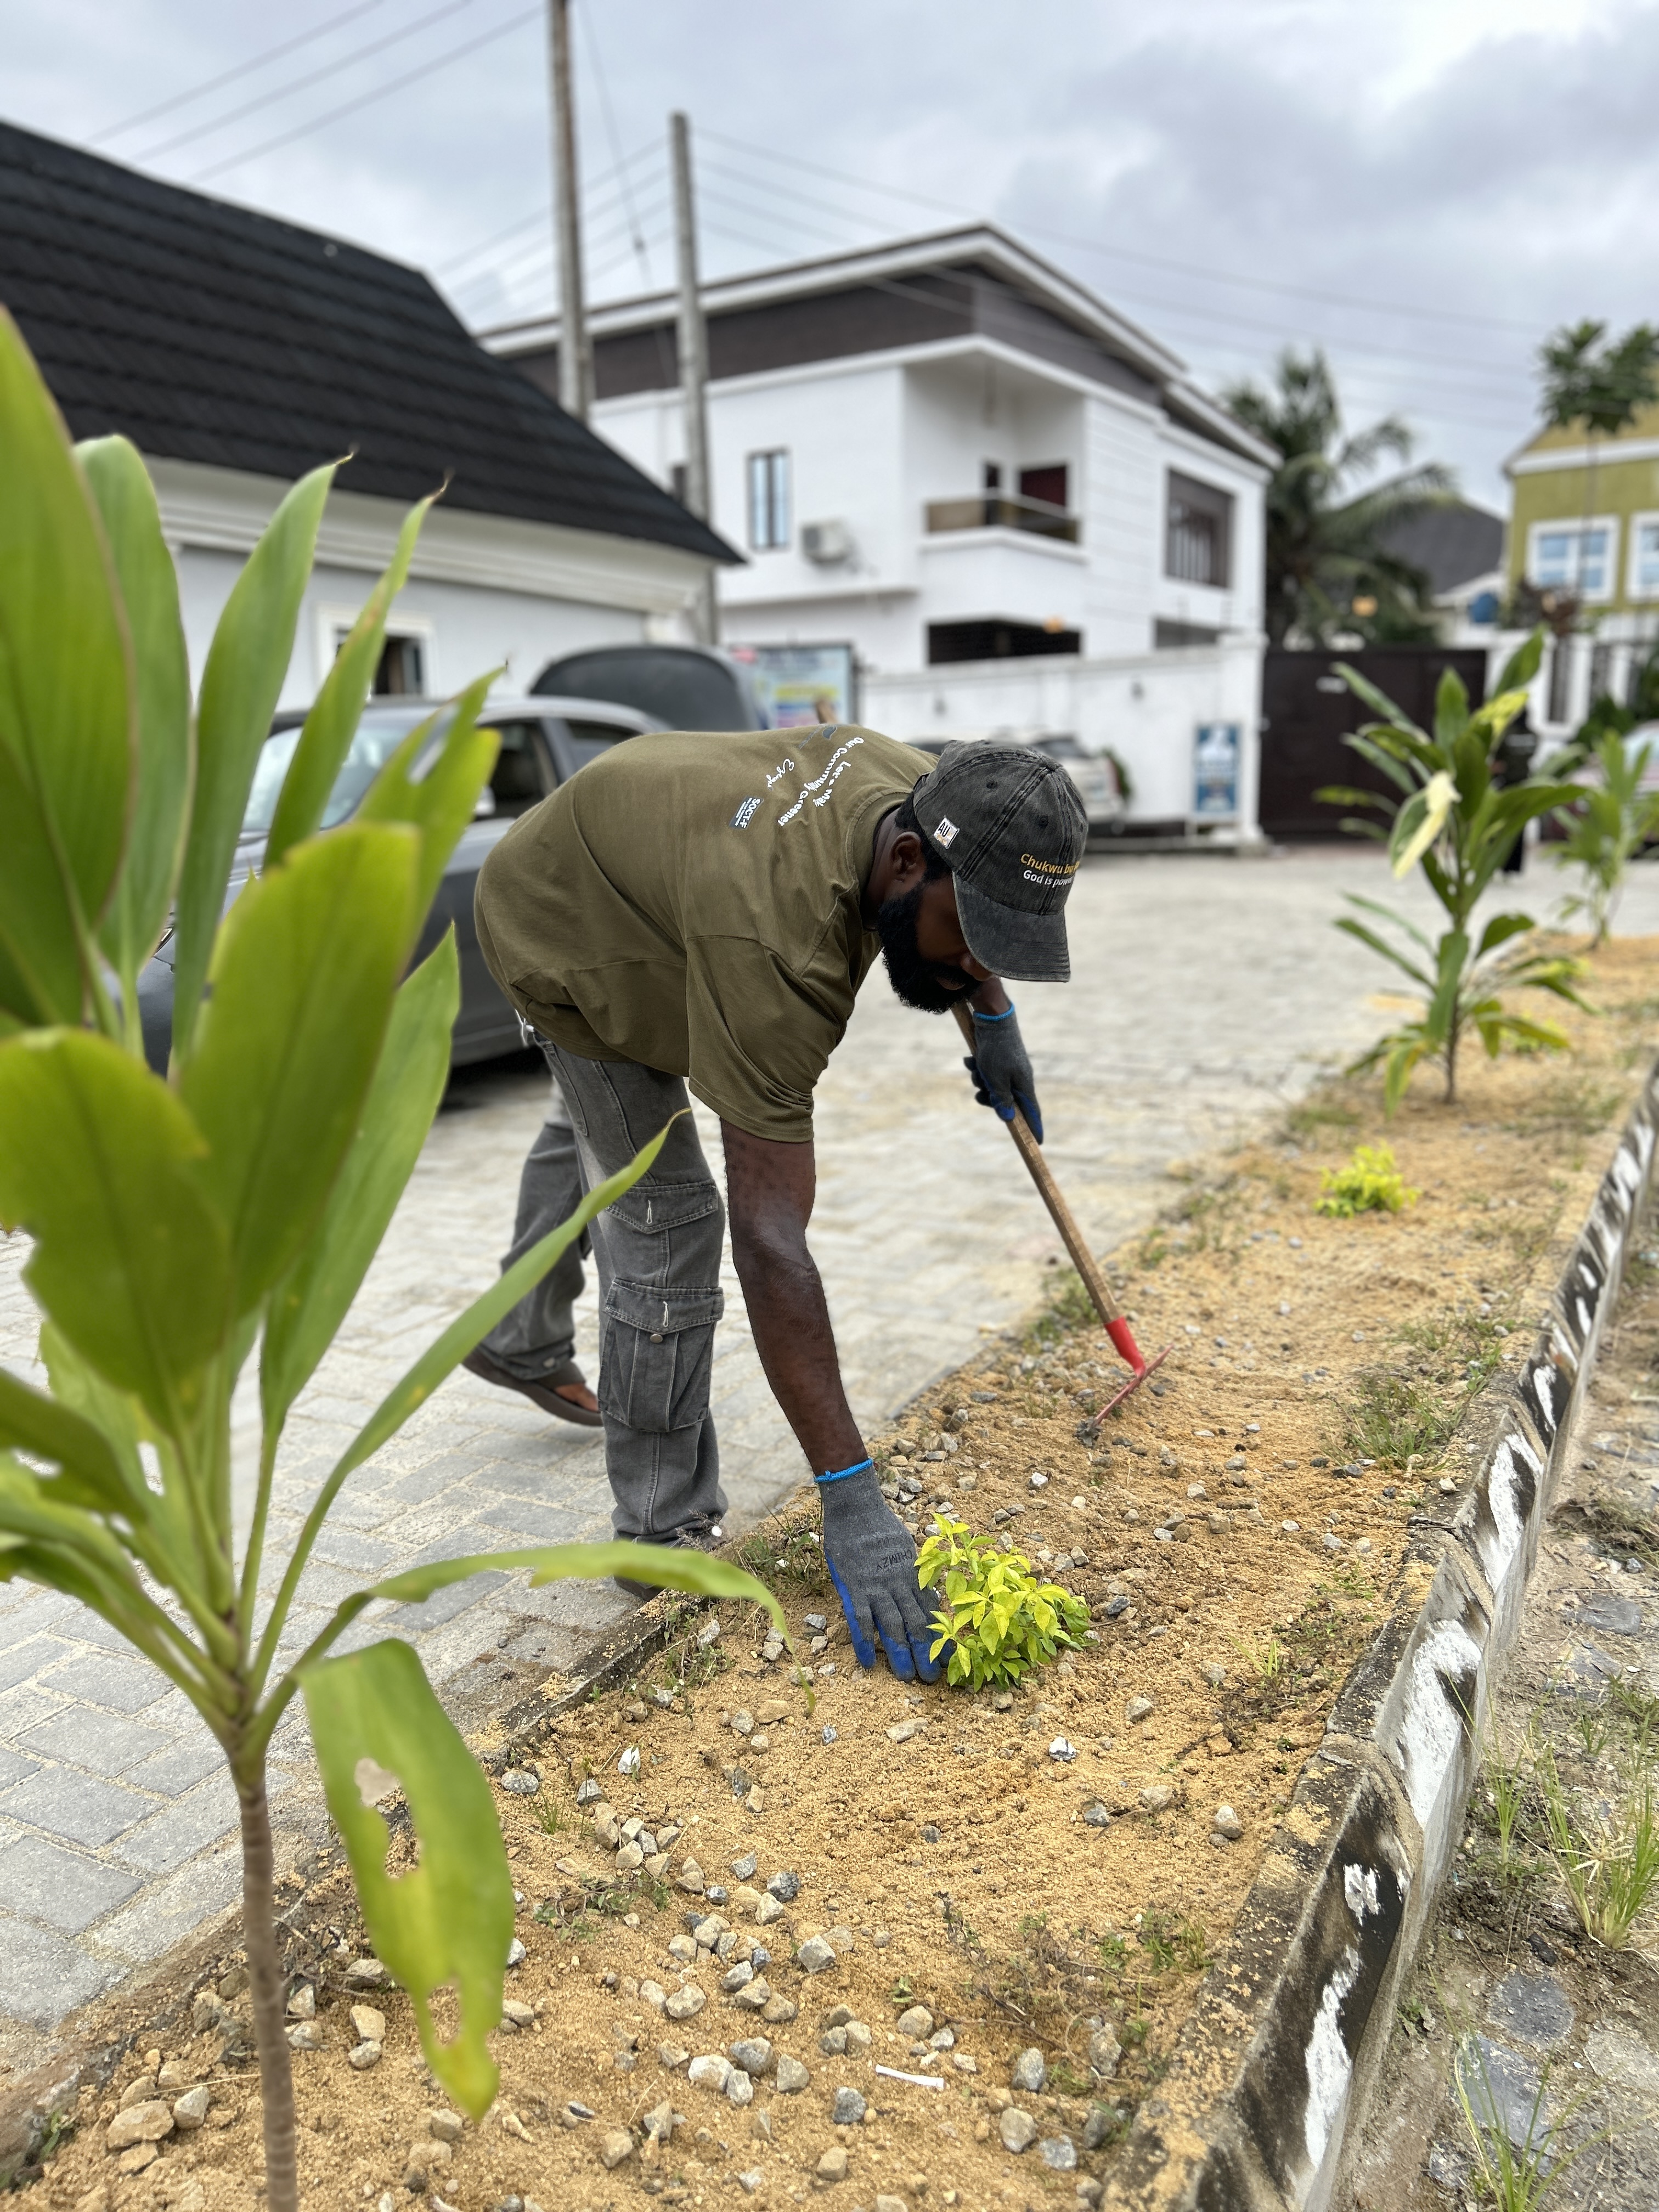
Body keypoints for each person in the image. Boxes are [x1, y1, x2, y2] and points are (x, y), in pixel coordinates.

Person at [469, 724, 1087, 1680]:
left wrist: (994, 1013)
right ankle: (657, 1531)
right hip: (561, 918)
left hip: (651, 856)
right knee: (669, 1213)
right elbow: (771, 1238)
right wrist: (850, 1494)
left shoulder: (943, 793)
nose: (975, 964)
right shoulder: (777, 954)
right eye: (974, 943)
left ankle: (515, 1331)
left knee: (604, 1130)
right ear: (907, 858)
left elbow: (963, 904)